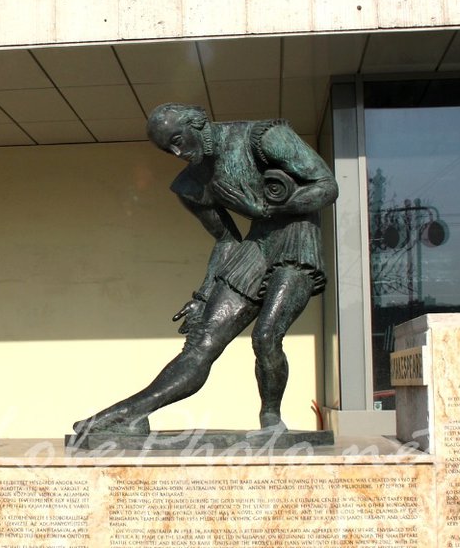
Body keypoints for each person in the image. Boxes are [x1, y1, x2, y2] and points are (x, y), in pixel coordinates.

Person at [73, 103, 338, 436]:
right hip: (254, 248)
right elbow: (227, 241)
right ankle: (128, 414)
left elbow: (327, 186)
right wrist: (203, 295)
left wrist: (265, 208)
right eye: (168, 148)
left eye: (178, 139)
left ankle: (271, 419)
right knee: (201, 343)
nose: (178, 151)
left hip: (296, 240)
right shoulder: (191, 186)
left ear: (197, 123)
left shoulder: (263, 138)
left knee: (267, 335)